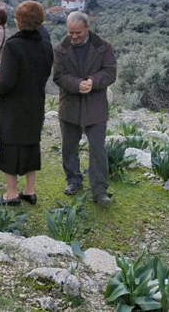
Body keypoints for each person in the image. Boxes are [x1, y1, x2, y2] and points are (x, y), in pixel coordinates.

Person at [0, 1, 53, 205]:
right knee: (31, 144)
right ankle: (30, 191)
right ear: (40, 21)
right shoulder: (46, 46)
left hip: (12, 106)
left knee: (8, 146)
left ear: (18, 21)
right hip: (35, 103)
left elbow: (7, 81)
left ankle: (11, 193)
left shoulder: (13, 45)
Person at [53, 11, 117, 206]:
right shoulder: (60, 49)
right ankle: (73, 181)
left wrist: (93, 81)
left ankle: (99, 191)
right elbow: (58, 76)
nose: (73, 36)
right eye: (70, 32)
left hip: (95, 107)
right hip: (70, 106)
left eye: (78, 33)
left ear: (87, 29)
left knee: (98, 149)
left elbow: (110, 73)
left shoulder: (104, 47)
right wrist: (77, 84)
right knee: (69, 147)